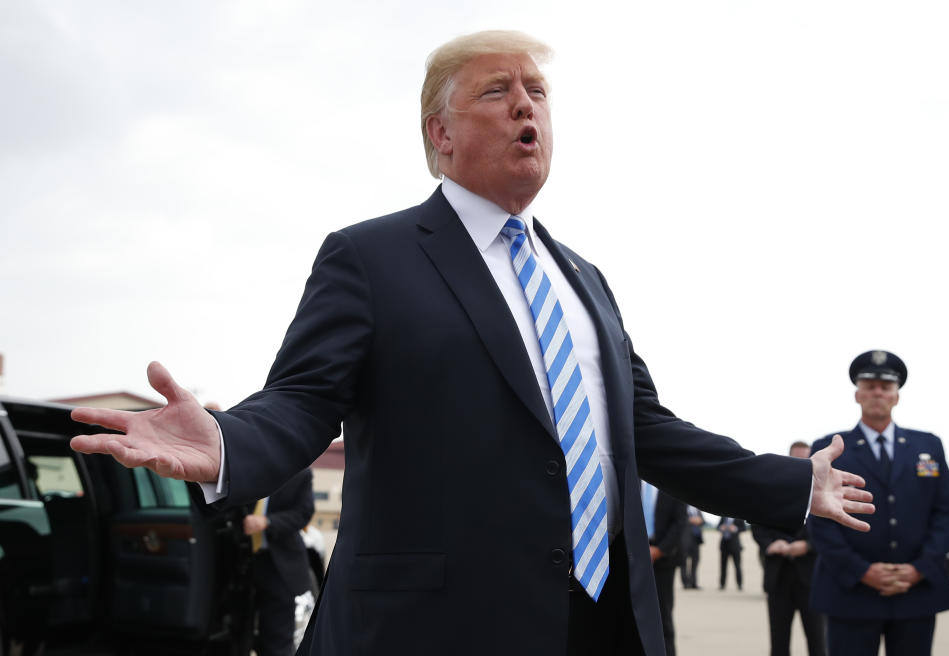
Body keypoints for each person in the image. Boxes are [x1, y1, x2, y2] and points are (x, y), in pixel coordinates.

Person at [69, 31, 874, 656]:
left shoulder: (585, 280)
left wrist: (790, 484)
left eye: (539, 92)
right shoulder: (371, 258)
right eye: (500, 90)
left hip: (600, 625)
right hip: (438, 624)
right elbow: (304, 399)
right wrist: (224, 441)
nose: (528, 106)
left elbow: (646, 430)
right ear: (441, 133)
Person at [808, 350, 949, 656]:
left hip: (915, 591)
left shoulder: (928, 446)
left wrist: (920, 568)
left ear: (896, 396)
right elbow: (819, 518)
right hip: (851, 591)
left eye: (886, 386)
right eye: (870, 384)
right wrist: (862, 571)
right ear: (857, 394)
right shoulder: (830, 449)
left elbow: (945, 512)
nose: (878, 391)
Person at [752, 441, 826, 656]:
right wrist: (770, 544)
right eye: (797, 460)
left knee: (818, 642)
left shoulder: (823, 493)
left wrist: (808, 545)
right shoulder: (771, 492)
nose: (802, 464)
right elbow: (757, 525)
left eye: (806, 459)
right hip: (778, 577)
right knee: (778, 643)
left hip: (811, 579)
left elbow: (831, 532)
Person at [243, 468, 315, 656]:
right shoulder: (250, 467)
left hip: (279, 566)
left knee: (277, 637)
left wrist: (268, 522)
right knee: (239, 630)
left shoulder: (300, 472)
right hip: (244, 562)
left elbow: (304, 513)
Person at [642, 482, 686, 656]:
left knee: (663, 615)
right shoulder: (630, 477)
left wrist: (659, 550)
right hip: (632, 556)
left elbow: (680, 522)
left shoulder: (672, 483)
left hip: (664, 559)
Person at [717, 516, 745, 590]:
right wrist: (721, 528)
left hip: (735, 546)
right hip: (724, 545)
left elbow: (743, 528)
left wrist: (735, 529)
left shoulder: (739, 517)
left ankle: (740, 584)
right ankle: (722, 584)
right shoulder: (723, 517)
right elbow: (717, 527)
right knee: (723, 566)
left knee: (737, 566)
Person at [680, 505, 705, 590]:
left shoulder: (697, 509)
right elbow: (679, 519)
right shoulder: (682, 507)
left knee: (695, 562)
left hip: (696, 540)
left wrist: (700, 520)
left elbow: (703, 521)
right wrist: (690, 520)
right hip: (685, 540)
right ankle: (685, 583)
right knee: (684, 562)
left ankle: (693, 582)